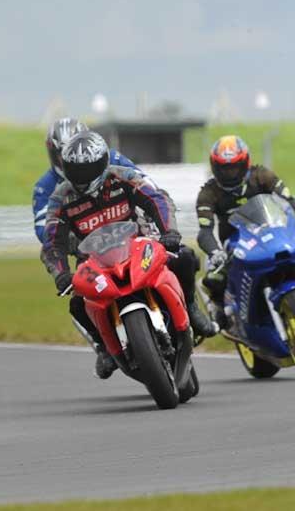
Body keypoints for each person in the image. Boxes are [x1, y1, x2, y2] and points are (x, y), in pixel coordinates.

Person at [41, 131, 217, 379]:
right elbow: (51, 242)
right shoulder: (61, 197)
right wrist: (61, 273)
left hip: (139, 245)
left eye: (88, 168)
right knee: (77, 302)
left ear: (102, 162)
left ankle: (190, 307)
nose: (82, 176)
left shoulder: (123, 176)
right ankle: (103, 348)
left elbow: (157, 198)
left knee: (185, 257)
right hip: (94, 261)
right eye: (76, 170)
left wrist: (169, 232)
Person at [196, 135, 295, 328]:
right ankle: (219, 309)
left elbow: (290, 202)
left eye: (234, 166)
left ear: (245, 163)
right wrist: (215, 252)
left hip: (271, 231)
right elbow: (205, 231)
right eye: (224, 168)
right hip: (234, 243)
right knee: (214, 276)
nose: (230, 173)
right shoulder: (208, 193)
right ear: (215, 167)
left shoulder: (262, 176)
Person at [33, 117, 143, 243]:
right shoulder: (45, 185)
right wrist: (73, 240)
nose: (73, 159)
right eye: (62, 154)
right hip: (91, 248)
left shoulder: (111, 157)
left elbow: (145, 184)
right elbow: (44, 229)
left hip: (132, 230)